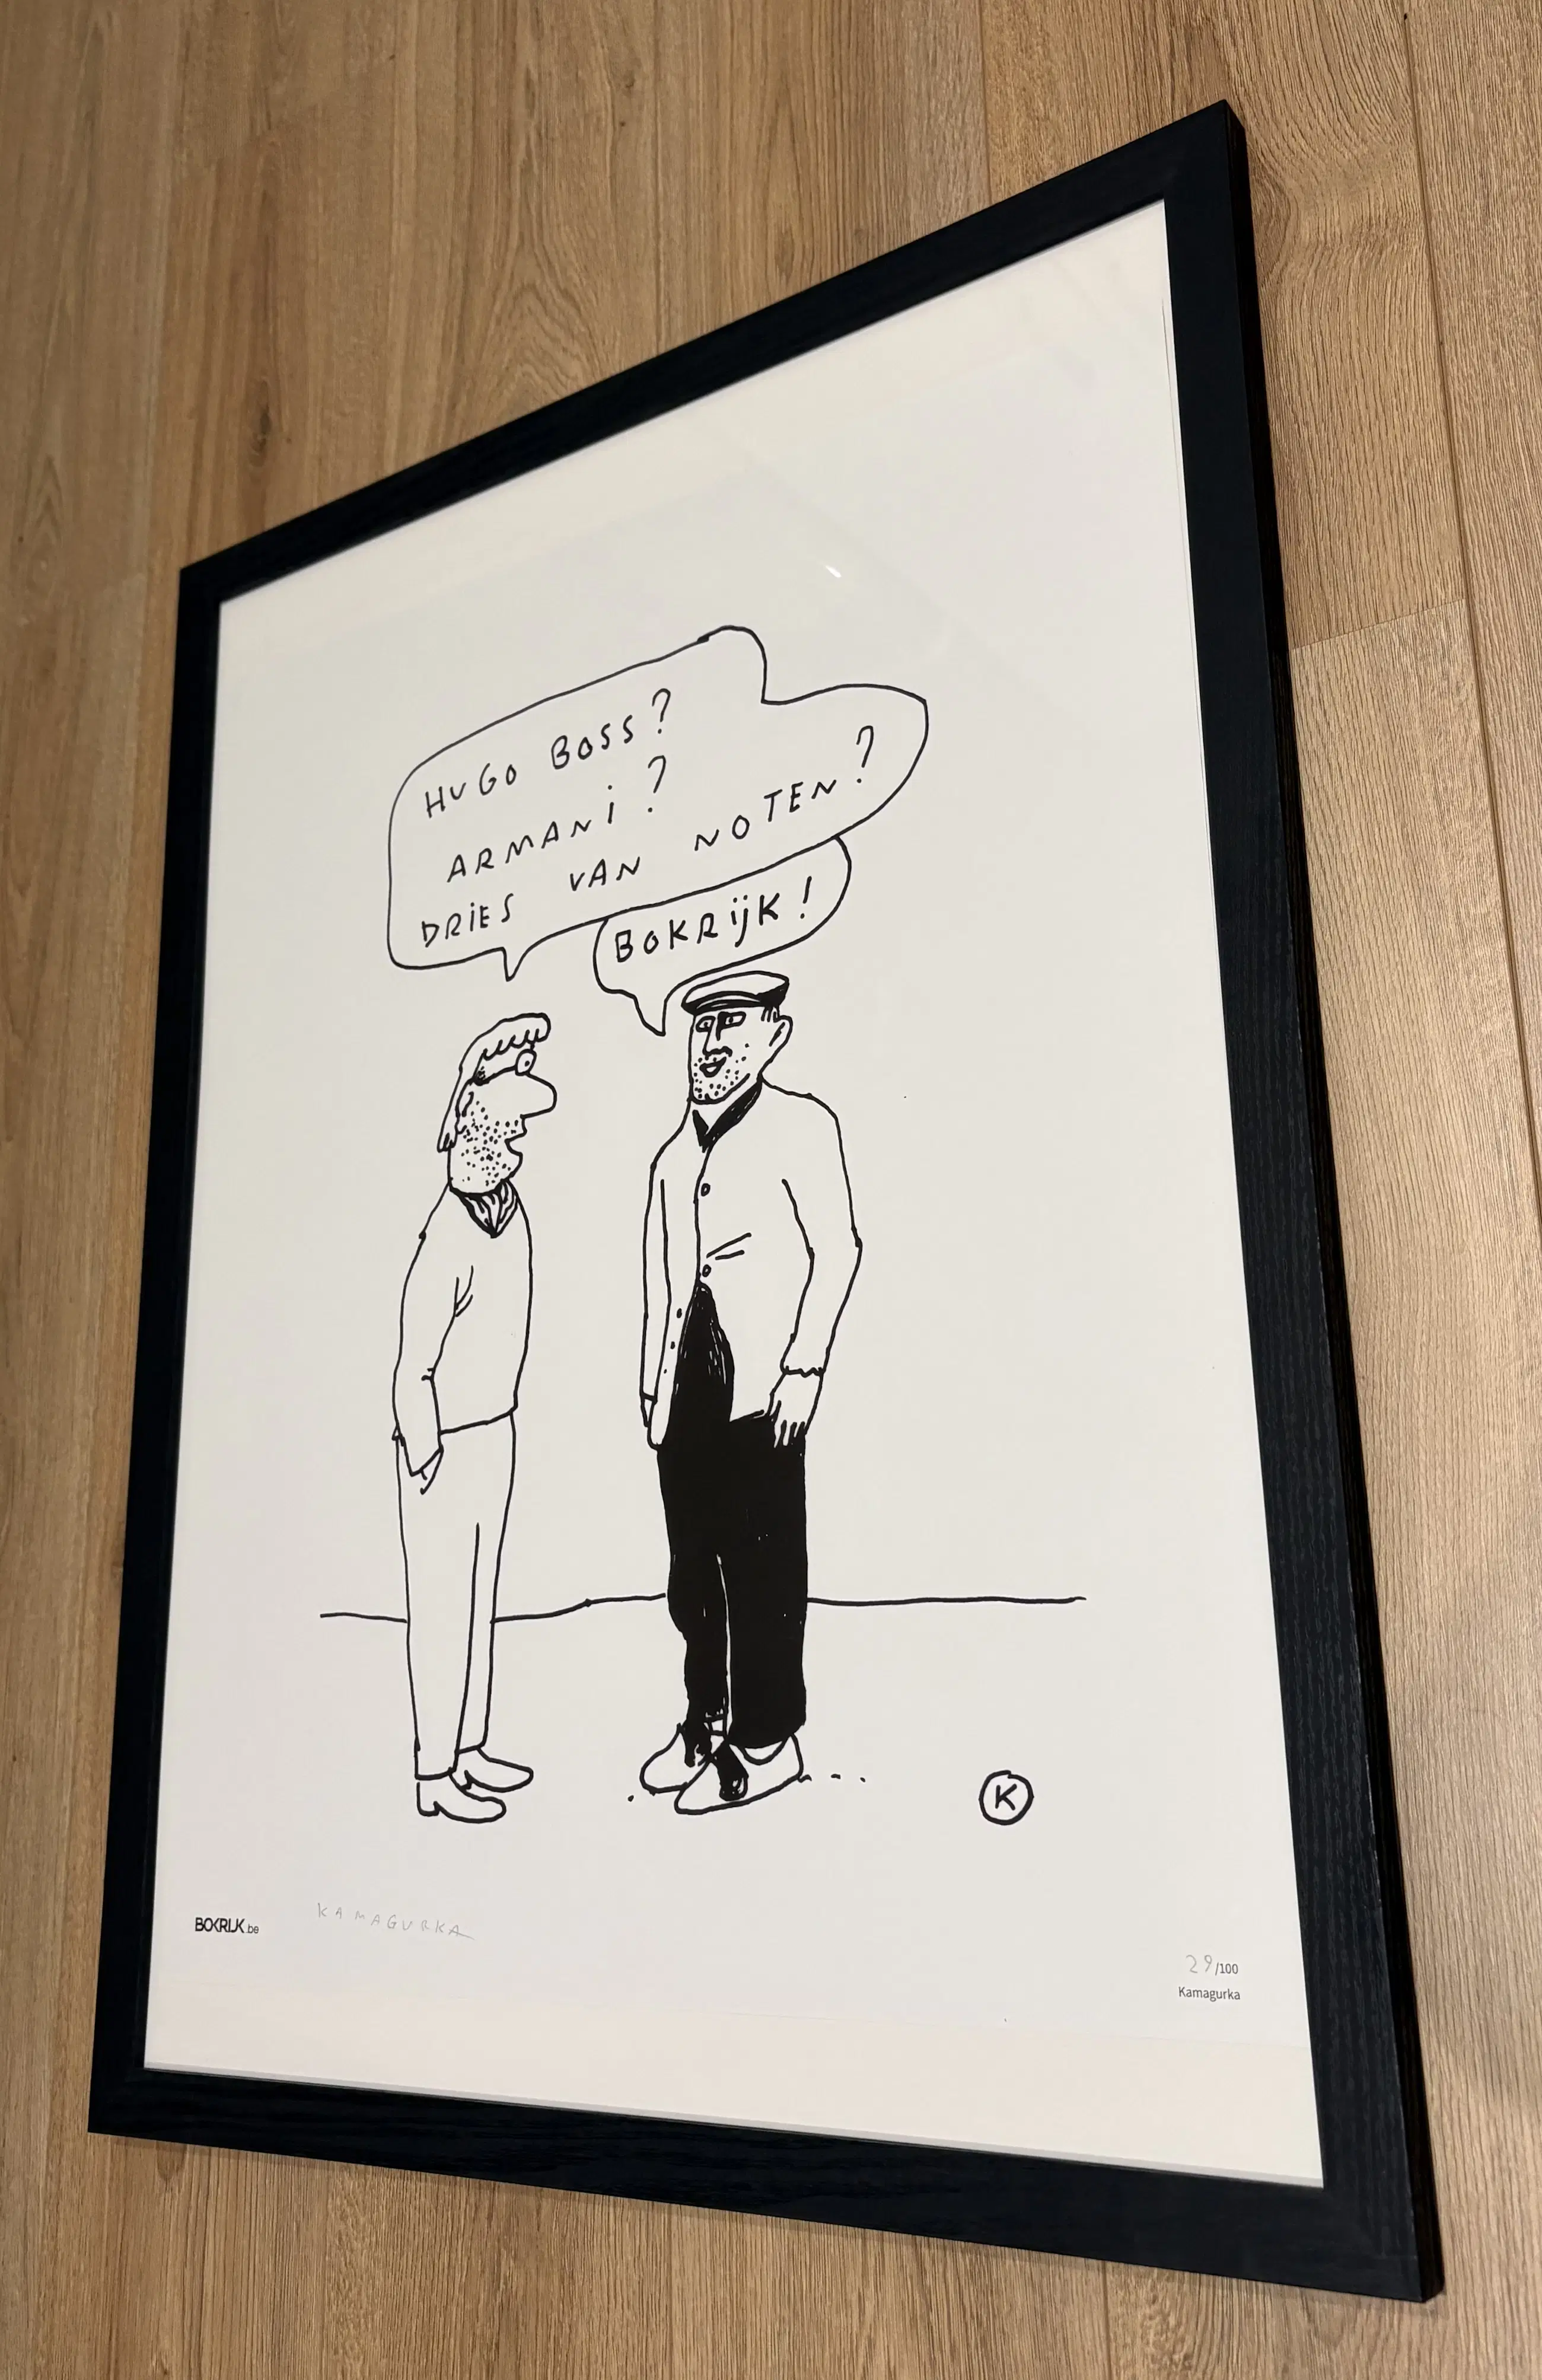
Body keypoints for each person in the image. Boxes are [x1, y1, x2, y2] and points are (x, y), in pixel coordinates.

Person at [638, 970, 861, 1815]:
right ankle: (706, 1715)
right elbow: (659, 1281)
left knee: (763, 1568)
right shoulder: (670, 1159)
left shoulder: (804, 1126)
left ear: (774, 1035)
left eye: (732, 1024)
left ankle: (767, 1740)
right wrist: (649, 1385)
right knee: (692, 1571)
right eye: (702, 1028)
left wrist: (805, 1369)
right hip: (684, 1391)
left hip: (763, 1390)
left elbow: (838, 1251)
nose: (711, 1044)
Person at [393, 1015, 556, 1822]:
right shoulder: (446, 1235)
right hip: (445, 1445)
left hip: (497, 1432)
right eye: (508, 1122)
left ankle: (471, 1747)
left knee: (480, 1597)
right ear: (468, 1119)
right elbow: (412, 1367)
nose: (519, 1138)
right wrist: (427, 1456)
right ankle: (434, 1774)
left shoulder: (510, 1214)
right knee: (441, 1606)